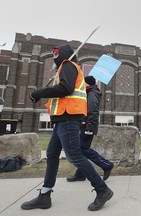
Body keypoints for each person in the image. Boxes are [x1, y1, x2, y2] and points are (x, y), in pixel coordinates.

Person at [21, 44, 113, 211]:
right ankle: (45, 195)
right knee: (52, 154)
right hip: (62, 118)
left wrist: (40, 92)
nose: (53, 57)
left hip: (69, 118)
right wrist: (40, 95)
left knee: (75, 156)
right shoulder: (64, 69)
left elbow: (66, 89)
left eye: (55, 53)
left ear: (63, 55)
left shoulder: (68, 65)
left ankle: (102, 189)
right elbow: (62, 91)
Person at [66, 76, 114, 182]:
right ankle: (80, 173)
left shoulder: (92, 94)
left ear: (87, 84)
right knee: (82, 150)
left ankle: (107, 165)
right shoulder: (89, 93)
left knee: (83, 149)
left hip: (87, 126)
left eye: (83, 83)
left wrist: (89, 127)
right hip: (85, 125)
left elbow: (93, 112)